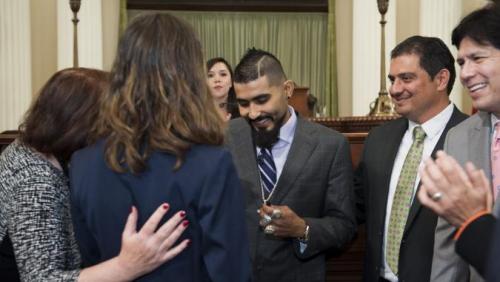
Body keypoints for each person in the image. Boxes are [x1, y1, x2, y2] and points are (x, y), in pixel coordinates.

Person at [70, 14, 251, 282]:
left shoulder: (82, 163)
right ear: (189, 76)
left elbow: (88, 260)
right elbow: (231, 273)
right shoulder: (212, 164)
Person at [0, 68, 189, 281]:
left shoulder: (33, 146)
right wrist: (127, 266)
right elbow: (41, 279)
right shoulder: (34, 181)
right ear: (79, 122)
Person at [225, 48, 356, 282]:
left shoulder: (330, 145)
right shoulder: (225, 136)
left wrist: (302, 229)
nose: (253, 113)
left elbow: (344, 225)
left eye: (262, 100)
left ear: (287, 89)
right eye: (244, 104)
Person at [354, 36, 468, 282]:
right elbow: (356, 206)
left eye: (406, 78)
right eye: (392, 80)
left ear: (441, 79)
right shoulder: (378, 139)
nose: (394, 89)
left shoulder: (472, 139)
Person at [415, 4, 500, 281]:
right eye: (462, 62)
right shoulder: (460, 136)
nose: (464, 73)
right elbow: (447, 244)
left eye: (477, 58)